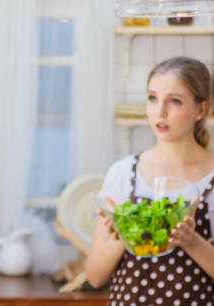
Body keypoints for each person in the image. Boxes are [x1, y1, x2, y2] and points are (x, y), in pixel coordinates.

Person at [86, 56, 214, 305]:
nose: (160, 112)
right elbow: (94, 276)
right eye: (152, 98)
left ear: (201, 110)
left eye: (174, 101)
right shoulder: (123, 173)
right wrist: (125, 232)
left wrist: (191, 241)